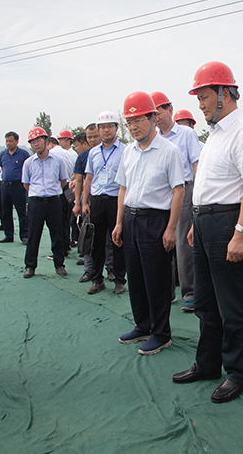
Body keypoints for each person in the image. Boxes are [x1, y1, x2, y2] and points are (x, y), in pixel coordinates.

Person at [172, 61, 243, 404]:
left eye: (205, 96)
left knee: (233, 305)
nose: (201, 104)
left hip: (228, 223)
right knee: (206, 304)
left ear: (225, 93)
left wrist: (240, 233)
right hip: (205, 222)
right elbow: (209, 184)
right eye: (198, 98)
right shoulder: (215, 135)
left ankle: (238, 372)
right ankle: (207, 363)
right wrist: (197, 222)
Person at [112, 91, 185, 355]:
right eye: (129, 122)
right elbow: (123, 187)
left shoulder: (169, 151)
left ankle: (161, 333)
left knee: (157, 279)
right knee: (137, 277)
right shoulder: (129, 151)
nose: (133, 127)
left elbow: (179, 190)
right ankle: (142, 325)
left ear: (153, 118)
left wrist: (170, 228)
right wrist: (119, 222)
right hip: (130, 219)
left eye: (139, 120)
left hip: (156, 221)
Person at [151, 91, 201, 312]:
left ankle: (189, 292)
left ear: (169, 110)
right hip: (161, 194)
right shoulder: (154, 139)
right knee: (161, 241)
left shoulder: (186, 134)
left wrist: (198, 195)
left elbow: (197, 166)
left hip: (184, 191)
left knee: (182, 242)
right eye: (152, 114)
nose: (156, 117)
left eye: (159, 111)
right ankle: (166, 290)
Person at [82, 111, 127, 295]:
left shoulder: (126, 150)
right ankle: (97, 279)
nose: (106, 130)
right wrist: (84, 202)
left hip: (116, 201)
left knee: (118, 241)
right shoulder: (93, 152)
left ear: (116, 128)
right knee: (96, 243)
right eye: (102, 127)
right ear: (98, 130)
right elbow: (89, 178)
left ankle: (119, 280)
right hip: (97, 202)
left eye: (110, 126)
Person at [22, 127, 69, 278]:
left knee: (57, 233)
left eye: (38, 140)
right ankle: (30, 266)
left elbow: (63, 181)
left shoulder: (58, 161)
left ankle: (59, 264)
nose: (36, 144)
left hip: (54, 201)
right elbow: (26, 184)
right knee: (33, 234)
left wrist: (51, 191)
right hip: (36, 202)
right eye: (32, 142)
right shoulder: (28, 163)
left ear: (46, 141)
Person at [0, 131, 30, 244]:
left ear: (17, 141)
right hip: (5, 185)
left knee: (21, 212)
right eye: (7, 141)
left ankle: (24, 235)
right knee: (6, 211)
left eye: (11, 141)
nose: (8, 143)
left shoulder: (23, 154)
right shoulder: (3, 154)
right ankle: (8, 235)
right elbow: (3, 168)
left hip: (18, 186)